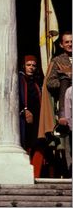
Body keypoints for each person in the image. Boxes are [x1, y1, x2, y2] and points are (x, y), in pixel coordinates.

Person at [45, 31, 72, 176]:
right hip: (66, 107)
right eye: (67, 42)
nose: (70, 44)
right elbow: (49, 82)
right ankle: (69, 172)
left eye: (71, 41)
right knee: (67, 143)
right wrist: (65, 80)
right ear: (61, 44)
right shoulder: (57, 60)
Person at [18, 55, 45, 178]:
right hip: (24, 117)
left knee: (38, 144)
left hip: (38, 117)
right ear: (24, 66)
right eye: (29, 65)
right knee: (26, 144)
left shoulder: (37, 80)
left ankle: (35, 174)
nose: (31, 68)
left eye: (34, 65)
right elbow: (16, 97)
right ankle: (25, 174)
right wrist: (24, 110)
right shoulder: (19, 78)